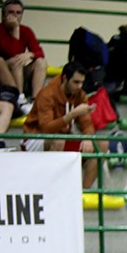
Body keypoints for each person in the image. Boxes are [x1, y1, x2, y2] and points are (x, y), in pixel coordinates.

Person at [21, 61, 108, 189]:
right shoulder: (46, 94)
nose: (79, 86)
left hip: (62, 137)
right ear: (65, 78)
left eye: (82, 82)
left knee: (102, 144)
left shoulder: (80, 95)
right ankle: (51, 188)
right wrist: (72, 115)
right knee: (58, 140)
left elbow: (87, 123)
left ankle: (84, 192)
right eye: (76, 82)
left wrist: (88, 137)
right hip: (35, 137)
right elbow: (46, 128)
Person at [0, 0, 47, 107]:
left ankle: (35, 101)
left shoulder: (26, 30)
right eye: (11, 12)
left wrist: (30, 54)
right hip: (2, 71)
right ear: (3, 14)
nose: (15, 15)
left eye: (18, 13)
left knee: (41, 62)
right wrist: (15, 30)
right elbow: (13, 53)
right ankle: (20, 99)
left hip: (20, 69)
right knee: (16, 61)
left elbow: (40, 52)